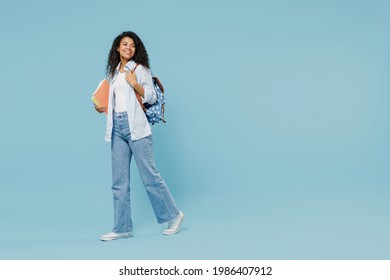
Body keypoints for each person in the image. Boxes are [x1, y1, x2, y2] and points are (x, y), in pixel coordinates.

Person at [94, 31, 184, 241]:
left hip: (137, 128)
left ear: (136, 50)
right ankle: (122, 227)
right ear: (117, 48)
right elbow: (118, 103)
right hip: (117, 127)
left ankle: (175, 215)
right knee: (119, 182)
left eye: (132, 45)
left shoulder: (140, 69)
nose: (128, 48)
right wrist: (103, 107)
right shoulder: (114, 74)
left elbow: (151, 96)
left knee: (149, 176)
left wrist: (135, 83)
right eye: (124, 44)